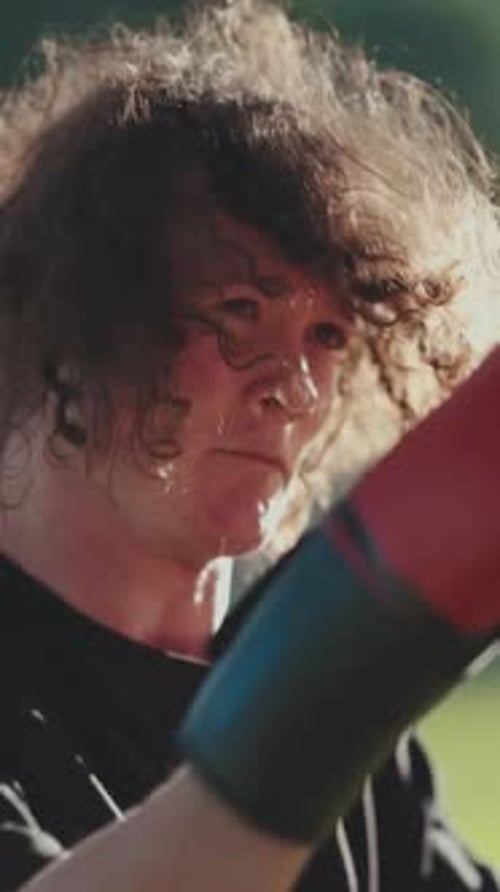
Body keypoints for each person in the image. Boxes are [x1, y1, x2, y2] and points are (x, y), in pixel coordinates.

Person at [0, 0, 498, 888]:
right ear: (73, 318)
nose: (295, 385)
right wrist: (365, 642)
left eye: (330, 338)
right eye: (239, 310)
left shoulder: (351, 745)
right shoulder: (318, 697)